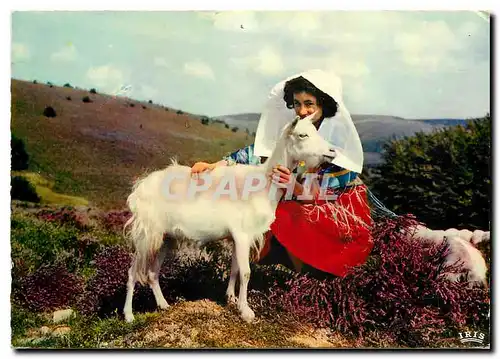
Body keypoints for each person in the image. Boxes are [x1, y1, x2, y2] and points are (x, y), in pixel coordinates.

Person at [191, 69, 374, 277]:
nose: (302, 110)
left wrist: (293, 187)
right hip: (301, 197)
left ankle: (309, 280)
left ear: (322, 104)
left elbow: (321, 196)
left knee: (282, 214)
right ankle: (293, 277)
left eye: (309, 104)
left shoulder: (336, 141)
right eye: (297, 104)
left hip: (336, 209)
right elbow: (262, 153)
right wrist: (215, 165)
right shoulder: (297, 128)